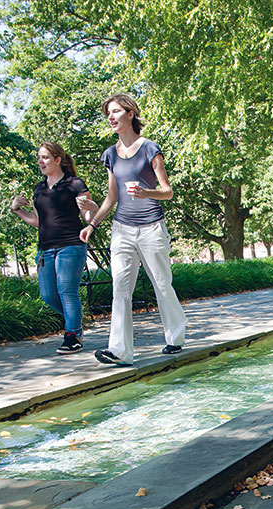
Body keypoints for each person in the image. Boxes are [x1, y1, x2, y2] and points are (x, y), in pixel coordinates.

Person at [78, 93, 186, 366]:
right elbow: (111, 197)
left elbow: (167, 191)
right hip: (122, 229)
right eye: (108, 114)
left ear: (130, 113)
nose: (111, 117)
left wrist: (145, 192)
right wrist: (92, 223)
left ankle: (175, 337)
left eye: (115, 111)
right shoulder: (110, 155)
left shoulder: (150, 148)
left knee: (162, 284)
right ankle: (120, 351)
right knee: (120, 288)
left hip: (152, 228)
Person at [12, 142, 94, 354]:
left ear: (58, 159)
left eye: (45, 157)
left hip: (71, 244)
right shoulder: (38, 189)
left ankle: (72, 335)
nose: (41, 161)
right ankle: (74, 322)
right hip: (45, 248)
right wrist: (17, 210)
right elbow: (38, 221)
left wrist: (91, 211)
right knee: (48, 295)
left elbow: (87, 214)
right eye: (39, 158)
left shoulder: (74, 183)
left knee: (67, 290)